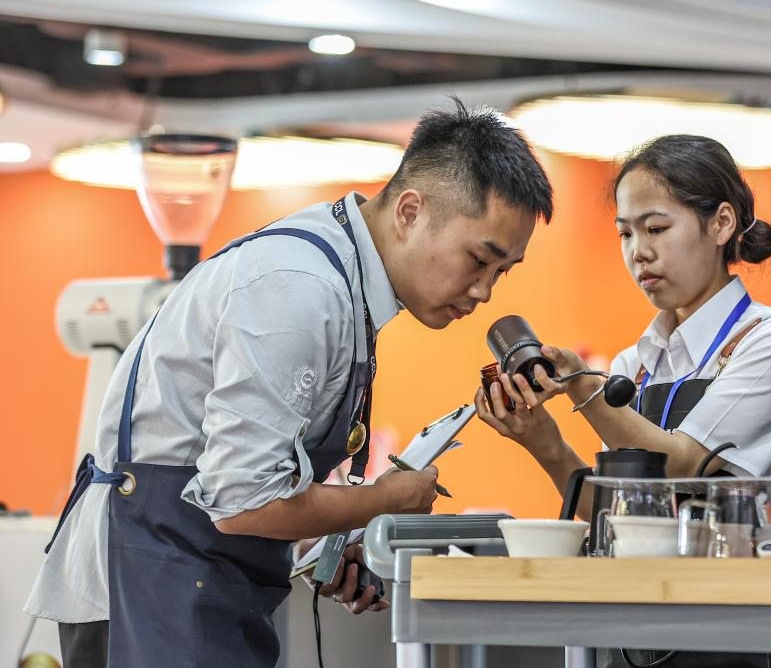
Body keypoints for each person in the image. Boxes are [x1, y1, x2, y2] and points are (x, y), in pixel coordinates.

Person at [26, 99, 553, 668]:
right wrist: (382, 501)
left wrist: (324, 536)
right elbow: (242, 501)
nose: (484, 292)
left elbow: (245, 480)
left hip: (189, 582)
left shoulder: (340, 277)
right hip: (147, 586)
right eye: (478, 260)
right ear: (410, 212)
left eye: (502, 272)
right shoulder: (302, 287)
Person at [476, 134, 771, 668]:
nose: (639, 252)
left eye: (656, 228)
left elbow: (682, 465)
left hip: (747, 635)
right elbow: (618, 520)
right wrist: (544, 442)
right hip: (644, 634)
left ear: (721, 224)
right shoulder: (635, 362)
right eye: (625, 233)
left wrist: (585, 388)